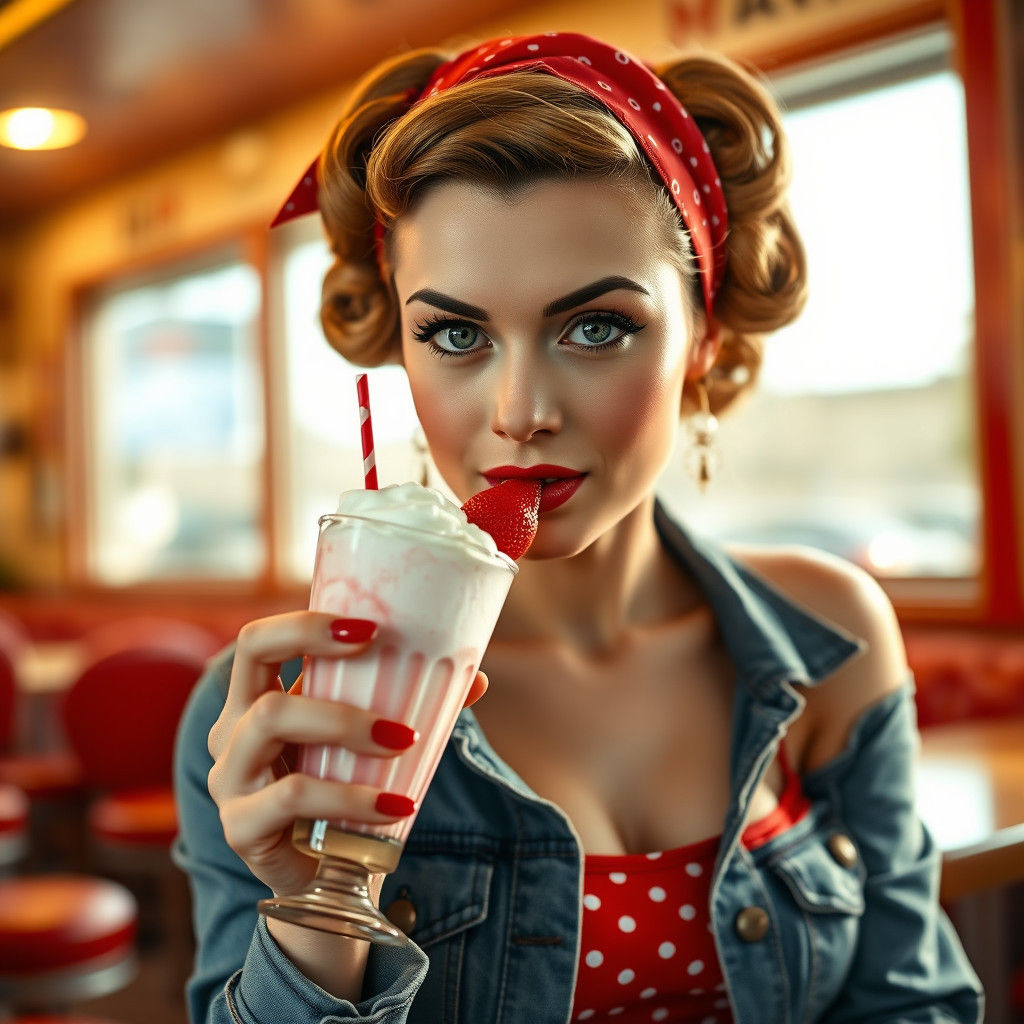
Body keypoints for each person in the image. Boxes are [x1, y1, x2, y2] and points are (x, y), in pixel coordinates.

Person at [173, 30, 984, 1024]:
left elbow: (915, 1003)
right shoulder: (283, 721)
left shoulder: (831, 635)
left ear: (705, 339)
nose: (519, 409)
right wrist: (319, 910)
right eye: (456, 334)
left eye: (594, 326)